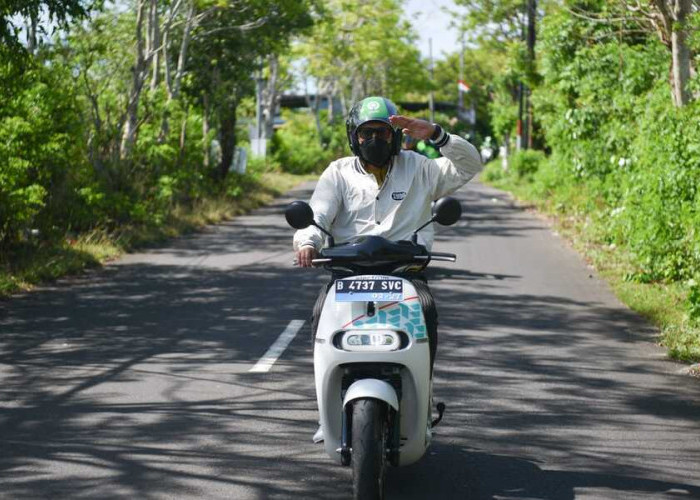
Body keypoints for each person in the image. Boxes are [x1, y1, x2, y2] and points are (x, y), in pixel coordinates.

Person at [293, 95, 482, 371]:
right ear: (353, 138)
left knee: (426, 311)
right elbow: (317, 213)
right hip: (349, 274)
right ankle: (327, 406)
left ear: (394, 136)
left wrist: (436, 134)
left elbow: (470, 165)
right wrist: (308, 242)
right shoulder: (338, 173)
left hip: (404, 272)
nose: (373, 140)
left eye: (381, 132)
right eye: (365, 133)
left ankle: (422, 394)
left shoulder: (420, 167)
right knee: (321, 313)